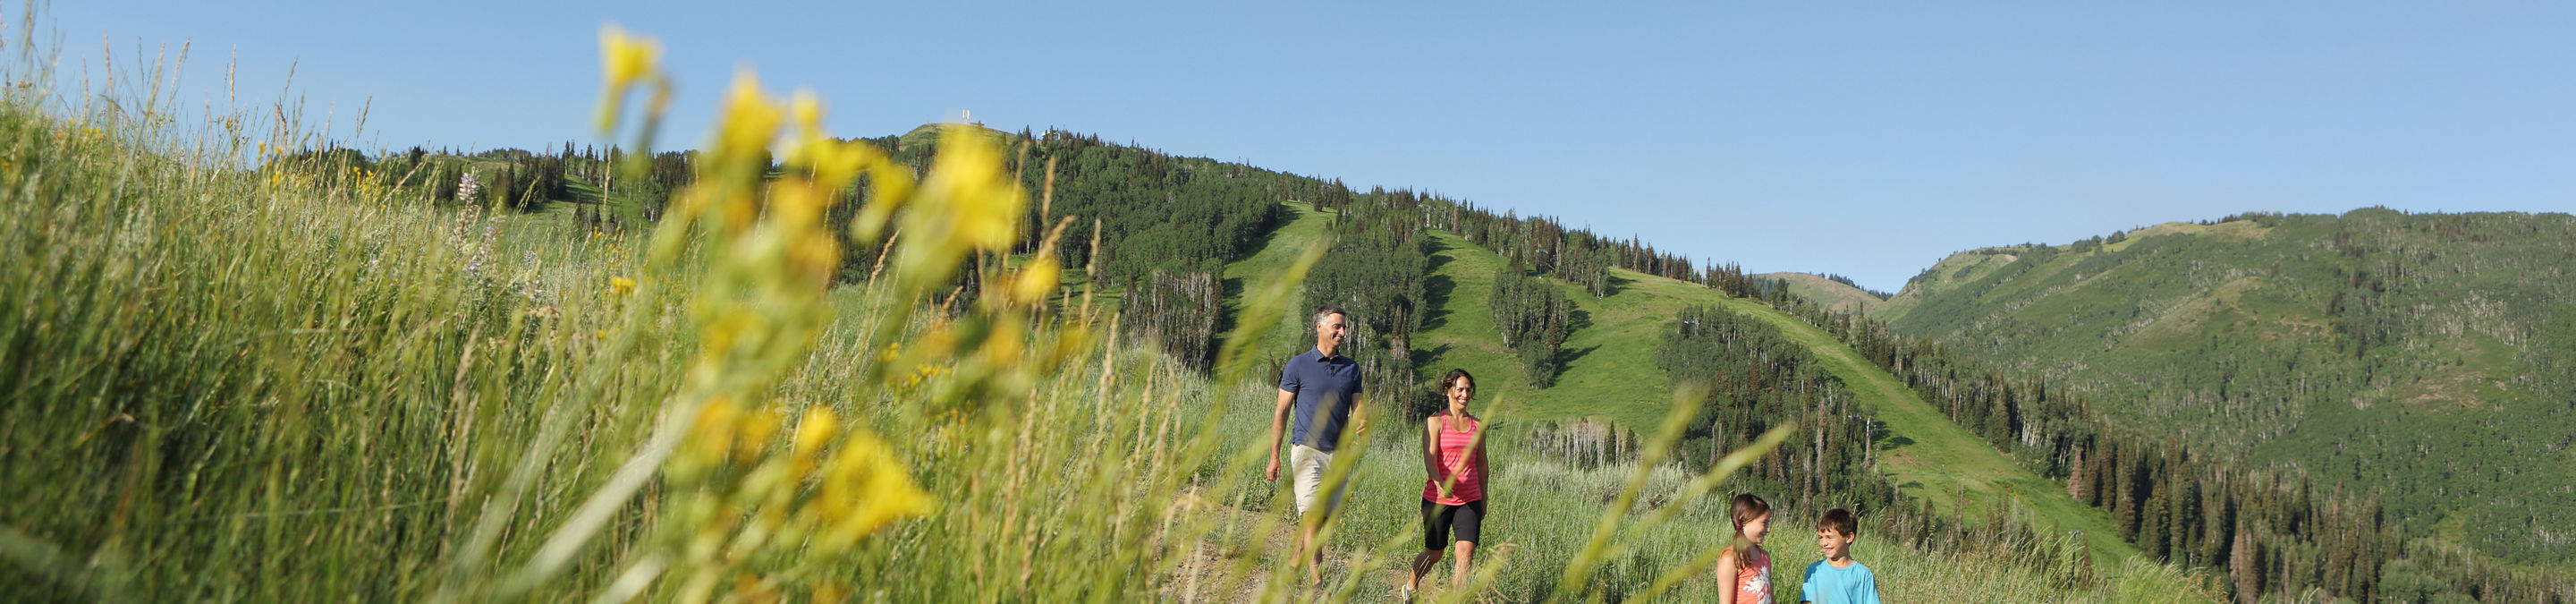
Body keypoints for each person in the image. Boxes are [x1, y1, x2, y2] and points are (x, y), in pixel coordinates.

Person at [1267, 306, 1367, 586]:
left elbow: (1358, 408)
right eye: (1337, 326)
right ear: (1319, 327)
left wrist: (1362, 422)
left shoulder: (1352, 368)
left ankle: (1294, 563)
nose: (1342, 332)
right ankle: (1316, 581)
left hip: (1339, 455)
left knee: (1320, 521)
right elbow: (1281, 411)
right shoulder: (1298, 365)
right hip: (1306, 449)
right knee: (1311, 516)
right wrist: (1274, 456)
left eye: (1344, 327)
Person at [1405, 369, 1489, 600]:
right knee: (1435, 553)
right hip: (1438, 499)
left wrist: (1484, 497)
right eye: (1460, 389)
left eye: (1468, 390)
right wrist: (1439, 482)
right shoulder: (1435, 423)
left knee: (1466, 553)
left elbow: (1482, 464)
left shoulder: (1478, 426)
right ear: (1448, 390)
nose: (1465, 394)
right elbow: (1429, 458)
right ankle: (1411, 585)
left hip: (1470, 499)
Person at [1799, 508, 1882, 604]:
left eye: (1829, 537)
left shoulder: (1863, 575)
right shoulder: (1814, 571)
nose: (1824, 543)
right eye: (1821, 537)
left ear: (1849, 537)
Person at [1715, 493, 1775, 604]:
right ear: (1744, 520)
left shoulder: (1764, 556)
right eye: (1764, 523)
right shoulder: (1730, 558)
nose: (1768, 529)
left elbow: (1771, 597)